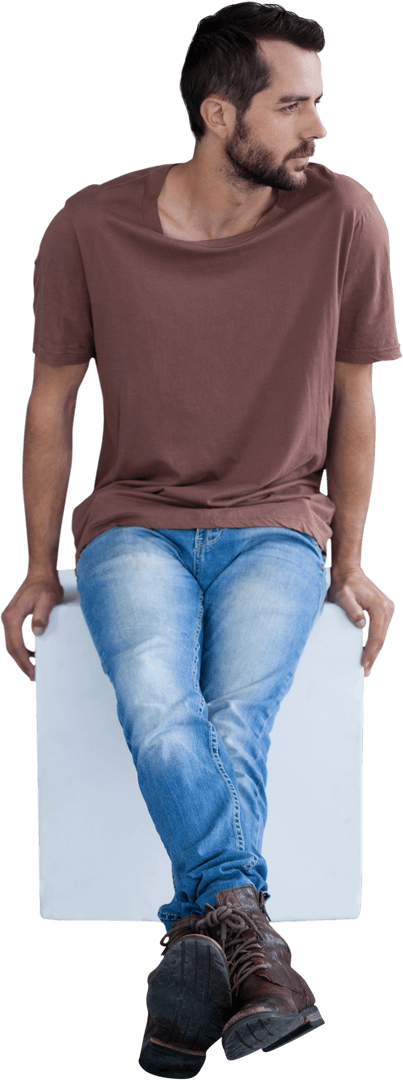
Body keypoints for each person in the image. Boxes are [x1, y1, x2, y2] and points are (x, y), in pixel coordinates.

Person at [1, 2, 400, 1076]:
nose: (319, 127)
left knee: (234, 719)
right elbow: (51, 405)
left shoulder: (344, 218)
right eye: (293, 104)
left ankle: (197, 953)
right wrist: (41, 562)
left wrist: (350, 560)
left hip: (279, 526)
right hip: (136, 525)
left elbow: (354, 404)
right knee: (160, 708)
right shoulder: (89, 225)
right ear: (218, 113)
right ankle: (247, 948)